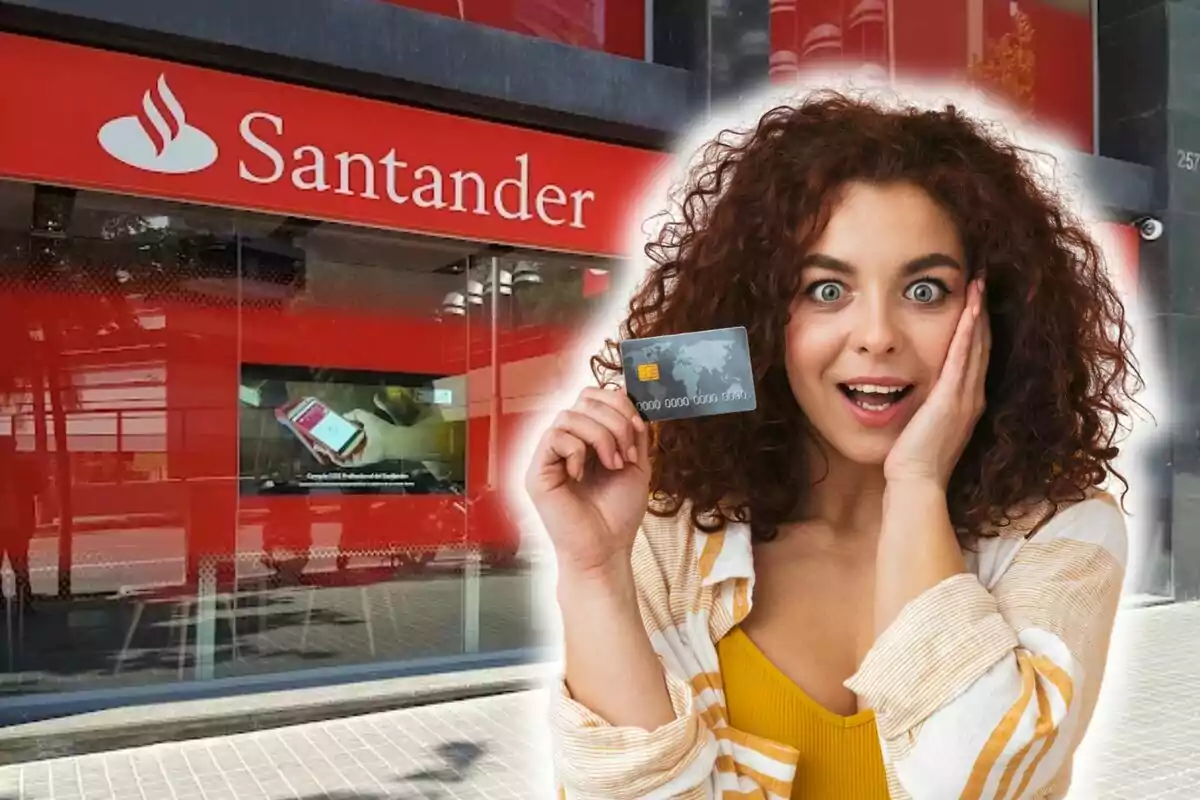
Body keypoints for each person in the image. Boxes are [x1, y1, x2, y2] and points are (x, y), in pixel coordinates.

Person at [524, 90, 1141, 799]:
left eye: (926, 290)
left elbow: (975, 785)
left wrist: (917, 484)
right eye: (825, 291)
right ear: (762, 319)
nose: (876, 334)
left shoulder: (1060, 532)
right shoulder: (667, 531)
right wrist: (596, 571)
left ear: (995, 316)